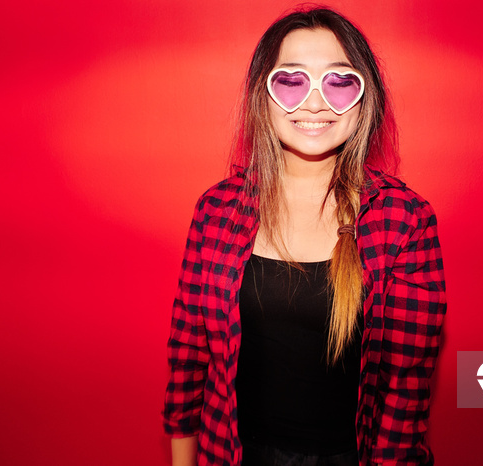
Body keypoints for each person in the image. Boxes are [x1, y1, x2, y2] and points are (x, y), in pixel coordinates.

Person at [163, 7, 446, 466]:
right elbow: (187, 355)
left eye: (339, 82)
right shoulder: (216, 210)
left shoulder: (405, 220)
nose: (315, 102)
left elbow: (404, 391)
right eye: (291, 81)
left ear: (363, 98)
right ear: (263, 95)